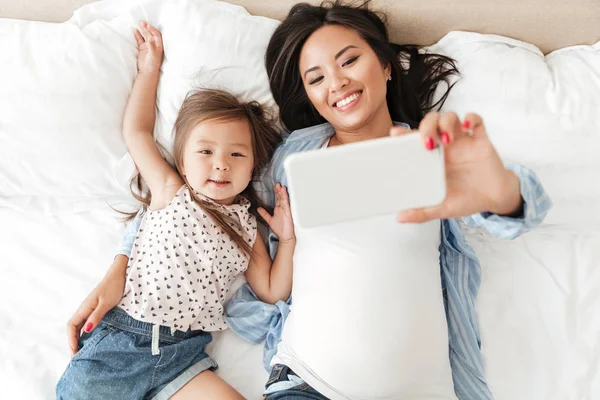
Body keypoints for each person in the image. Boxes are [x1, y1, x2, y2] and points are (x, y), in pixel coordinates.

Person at [68, 2, 552, 399]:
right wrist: (120, 266)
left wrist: (496, 190)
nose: (336, 83)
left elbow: (518, 206)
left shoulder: (431, 150)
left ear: (384, 65)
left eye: (348, 60)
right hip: (307, 383)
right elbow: (196, 206)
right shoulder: (290, 158)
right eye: (316, 78)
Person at [57, 22, 295, 400]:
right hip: (125, 337)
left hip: (182, 355)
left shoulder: (248, 224)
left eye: (237, 154)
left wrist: (288, 239)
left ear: (253, 167)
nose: (221, 164)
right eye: (205, 152)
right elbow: (137, 132)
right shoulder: (171, 190)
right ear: (182, 163)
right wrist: (149, 69)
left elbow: (271, 290)